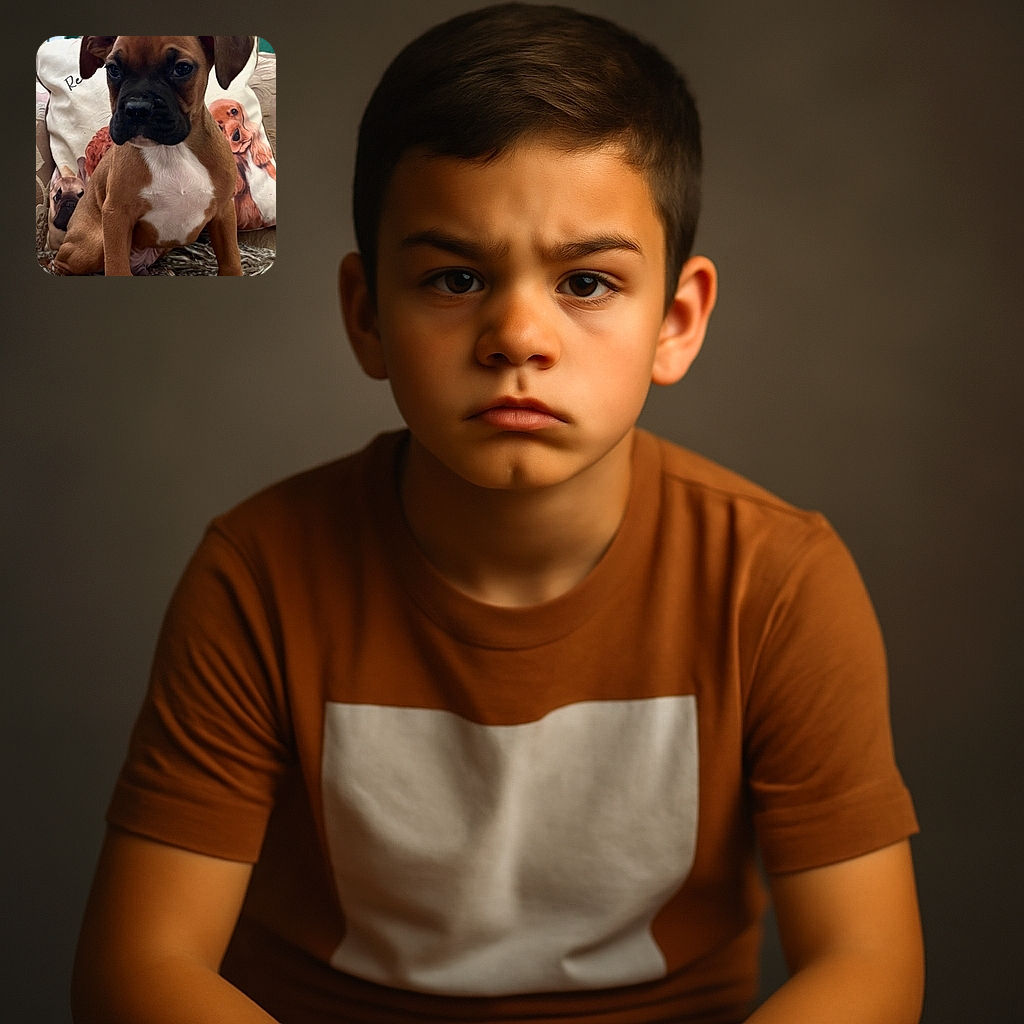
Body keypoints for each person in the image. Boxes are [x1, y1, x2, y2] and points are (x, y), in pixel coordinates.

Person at [70, 5, 923, 1023]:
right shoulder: (258, 576)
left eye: (587, 281)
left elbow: (867, 965)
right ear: (367, 314)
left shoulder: (775, 582)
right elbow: (140, 967)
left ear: (677, 322)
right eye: (457, 277)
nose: (518, 333)